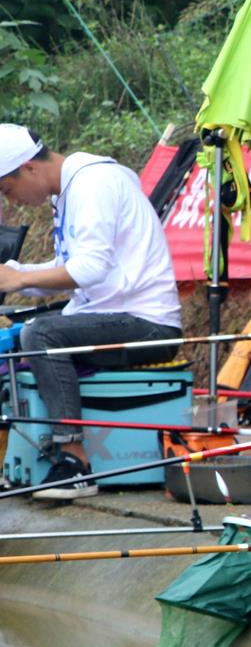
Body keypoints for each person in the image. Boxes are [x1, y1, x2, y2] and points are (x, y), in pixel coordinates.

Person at [0, 125, 182, 499]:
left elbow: (89, 270)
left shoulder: (93, 184)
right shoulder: (71, 189)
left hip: (147, 323)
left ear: (29, 168)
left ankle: (75, 463)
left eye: (8, 189)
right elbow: (72, 269)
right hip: (109, 315)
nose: (12, 201)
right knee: (21, 333)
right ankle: (20, 458)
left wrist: (18, 280)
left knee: (41, 334)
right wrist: (17, 275)